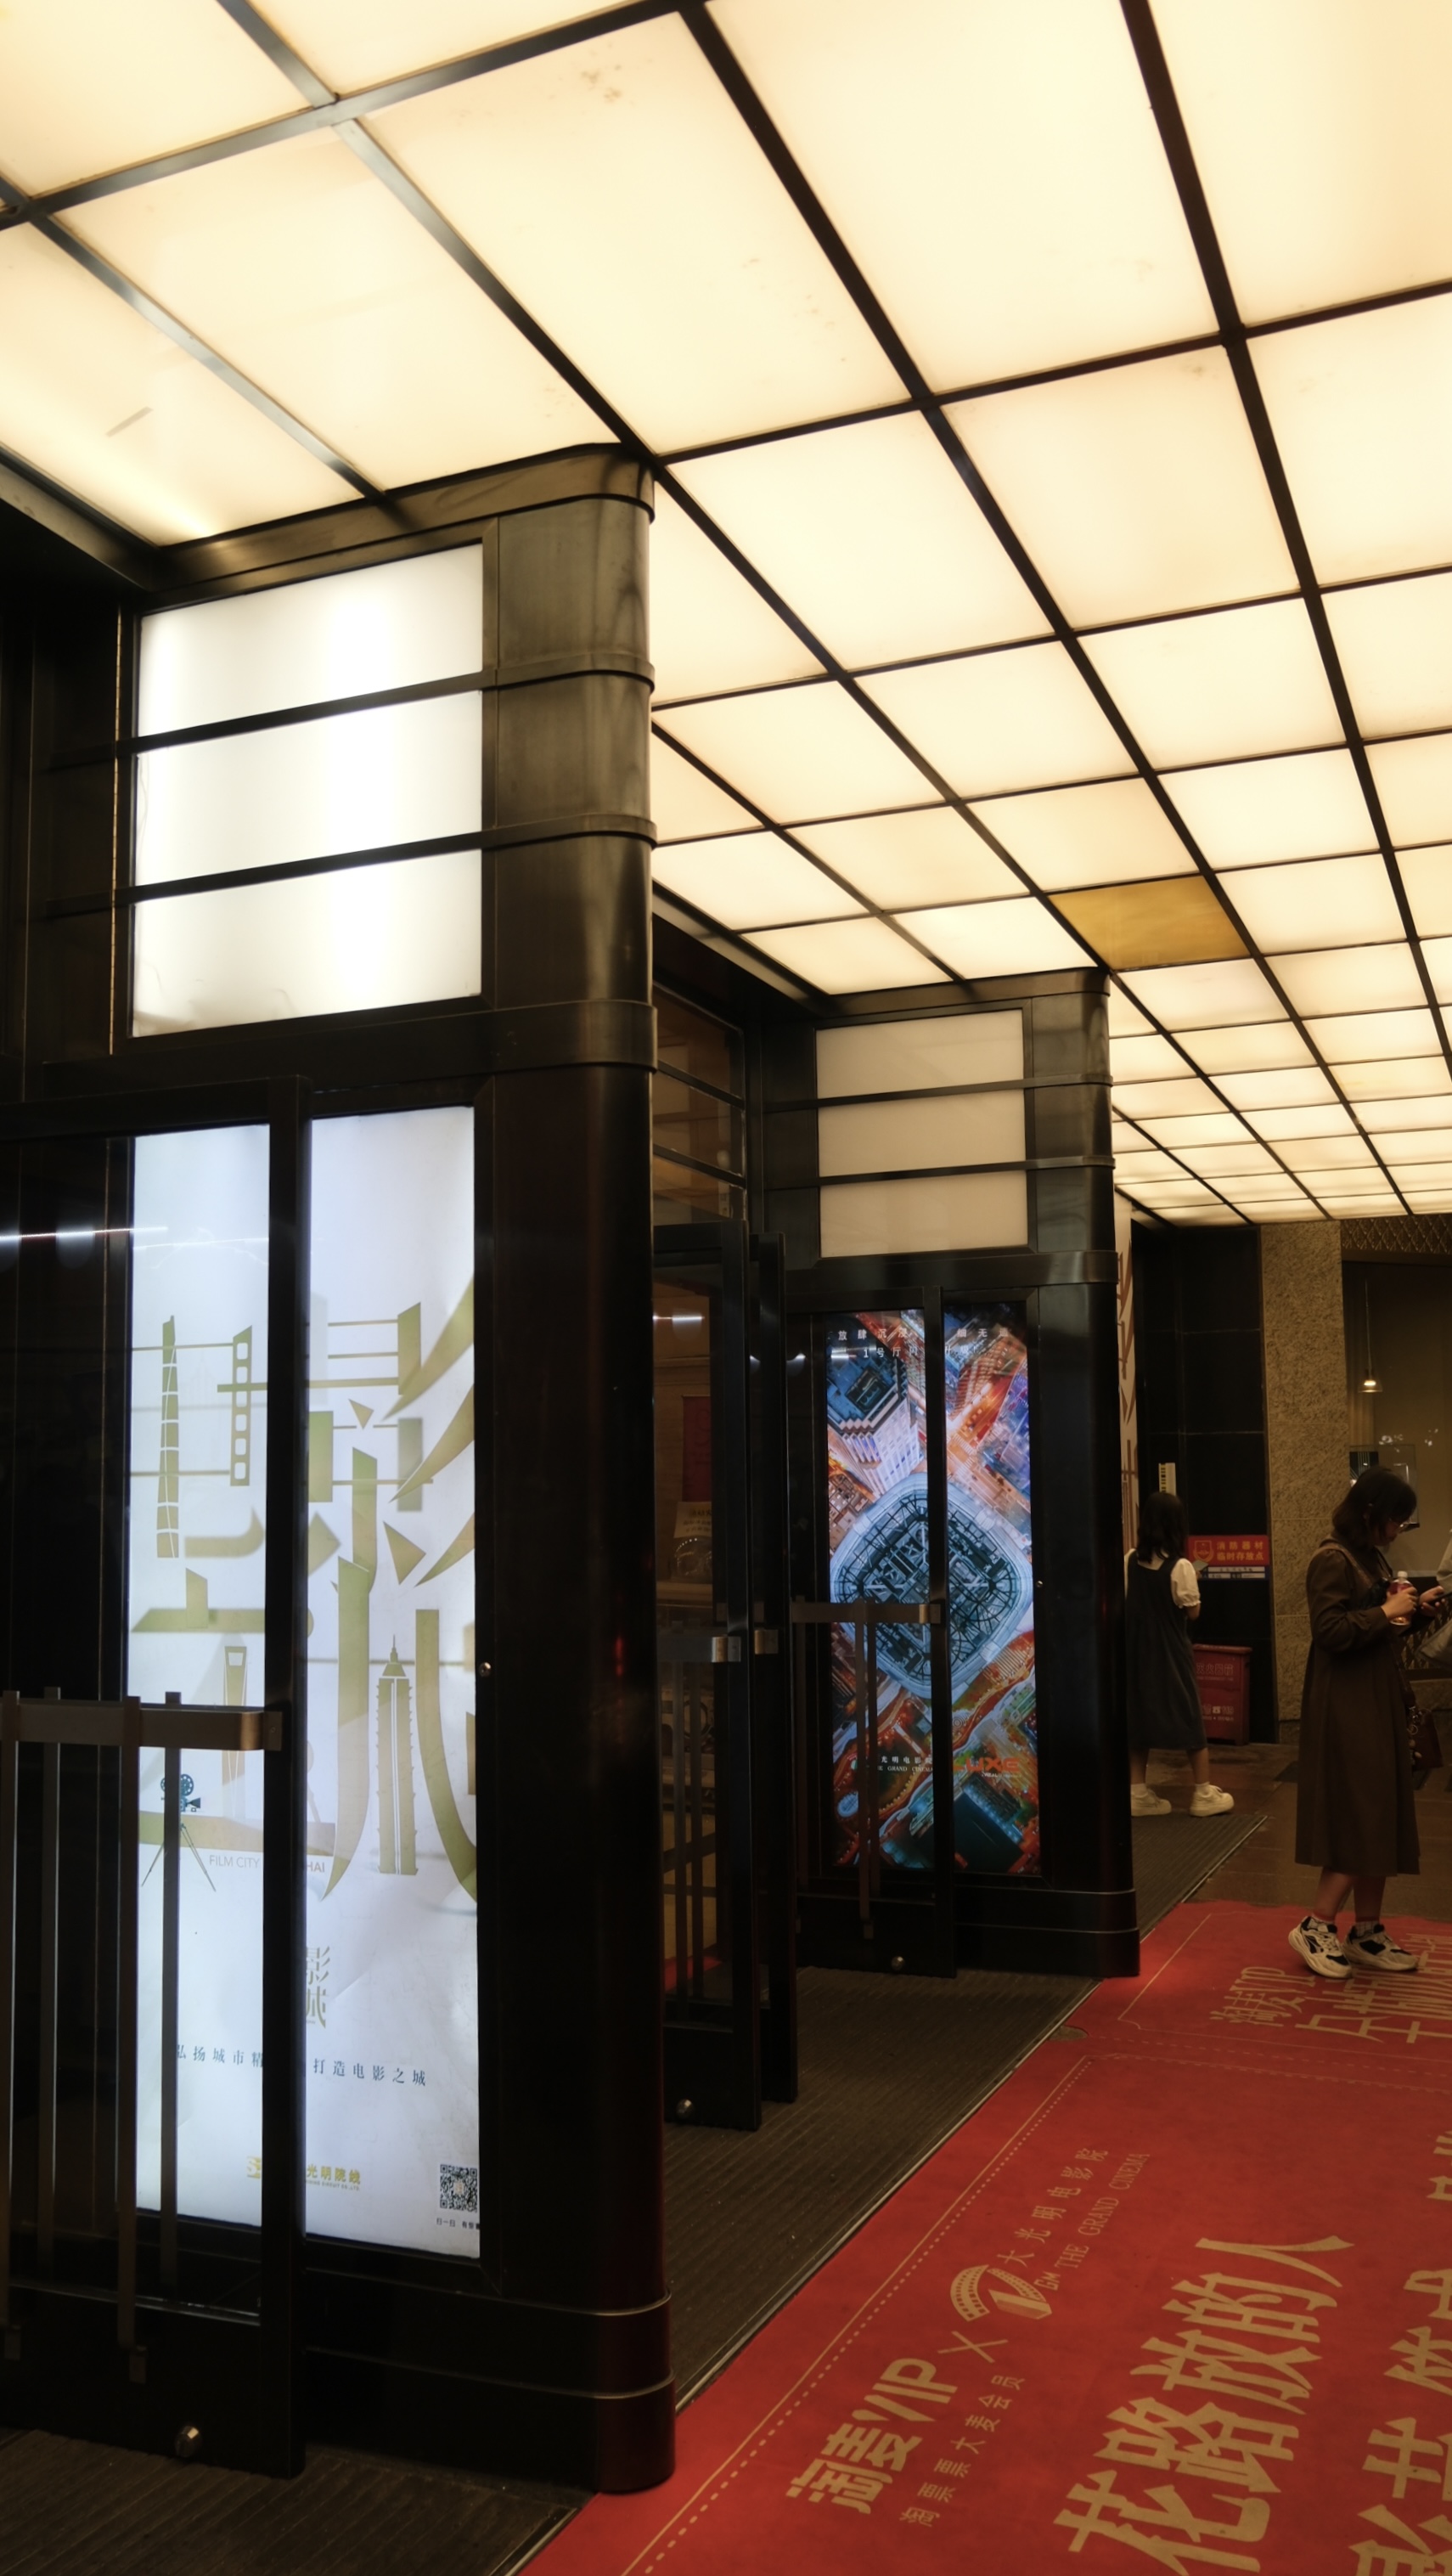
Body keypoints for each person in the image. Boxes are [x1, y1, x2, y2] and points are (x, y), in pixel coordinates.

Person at [1290, 1466, 1445, 1981]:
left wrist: (1414, 1613)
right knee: (1363, 1811)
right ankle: (1317, 1925)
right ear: (1371, 1513)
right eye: (1396, 1520)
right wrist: (1387, 1611)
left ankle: (1367, 1930)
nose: (1398, 1530)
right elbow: (1329, 1631)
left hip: (1376, 1695)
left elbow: (1377, 1627)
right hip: (1346, 1703)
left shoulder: (1369, 1557)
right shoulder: (1330, 1558)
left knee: (1382, 1809)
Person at [1126, 1489, 1234, 1819]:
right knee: (1189, 1716)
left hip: (1136, 1650)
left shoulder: (1130, 1559)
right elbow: (1193, 1612)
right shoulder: (1182, 1566)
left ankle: (1137, 1793)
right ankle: (1203, 1793)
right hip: (1170, 1651)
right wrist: (1193, 1580)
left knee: (1137, 1718)